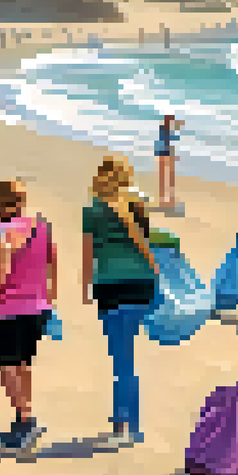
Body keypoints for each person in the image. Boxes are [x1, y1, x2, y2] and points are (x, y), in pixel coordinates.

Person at [82, 158, 158, 445]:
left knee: (121, 359)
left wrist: (86, 286)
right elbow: (145, 241)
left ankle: (122, 424)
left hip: (109, 286)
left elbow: (88, 252)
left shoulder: (92, 210)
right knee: (128, 357)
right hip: (140, 284)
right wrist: (155, 270)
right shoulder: (138, 204)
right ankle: (132, 425)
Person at [0, 180, 56, 452]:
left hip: (8, 308)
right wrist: (49, 297)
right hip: (37, 306)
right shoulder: (41, 226)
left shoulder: (2, 231)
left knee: (8, 367)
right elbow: (52, 261)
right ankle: (24, 417)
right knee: (23, 364)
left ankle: (25, 422)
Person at [153, 115, 183, 211]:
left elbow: (163, 143)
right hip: (166, 154)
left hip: (164, 154)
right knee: (168, 178)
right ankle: (168, 201)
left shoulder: (164, 129)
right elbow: (173, 140)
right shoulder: (167, 130)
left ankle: (166, 201)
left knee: (165, 179)